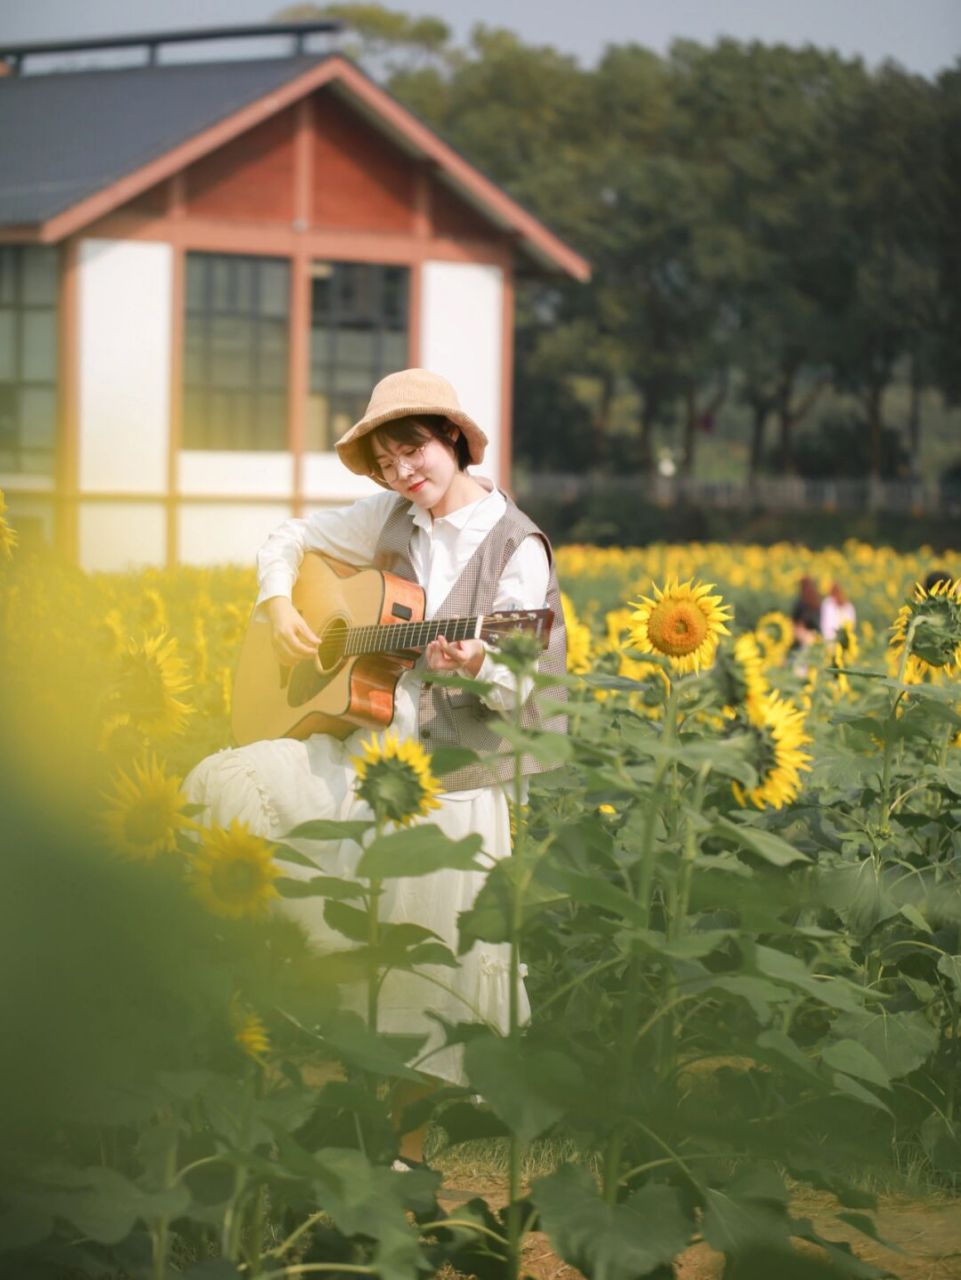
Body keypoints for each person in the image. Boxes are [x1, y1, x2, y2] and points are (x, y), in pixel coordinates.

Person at [184, 368, 567, 1111]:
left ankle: (401, 1158)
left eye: (412, 450)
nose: (401, 472)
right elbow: (289, 537)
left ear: (452, 439)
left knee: (422, 983)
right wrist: (277, 608)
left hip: (456, 780)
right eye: (387, 461)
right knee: (228, 783)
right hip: (369, 748)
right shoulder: (390, 515)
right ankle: (278, 1023)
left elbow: (529, 675)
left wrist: (478, 660)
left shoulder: (517, 545)